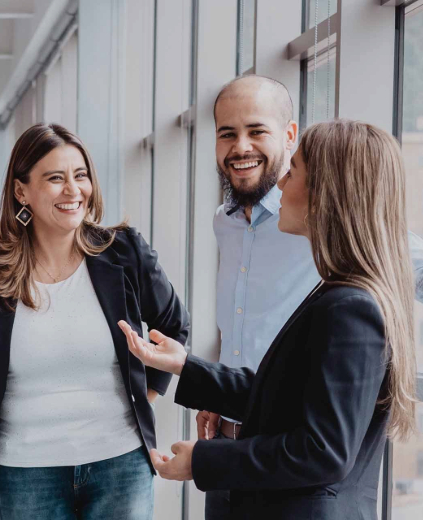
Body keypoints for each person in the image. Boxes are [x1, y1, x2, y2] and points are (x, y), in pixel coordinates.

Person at [120, 119, 419, 520]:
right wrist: (183, 365)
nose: (280, 185)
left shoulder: (351, 307)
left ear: (324, 195)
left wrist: (204, 461)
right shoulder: (342, 294)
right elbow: (284, 396)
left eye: (293, 172)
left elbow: (322, 452)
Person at [197, 74, 423, 519]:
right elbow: (243, 331)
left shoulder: (339, 255)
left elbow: (388, 249)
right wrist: (211, 390)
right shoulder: (223, 222)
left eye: (256, 130)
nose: (240, 146)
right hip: (228, 447)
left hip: (291, 469)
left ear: (289, 135)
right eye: (228, 133)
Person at [0, 123, 190, 520]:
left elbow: (173, 326)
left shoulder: (124, 251)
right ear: (21, 191)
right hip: (26, 468)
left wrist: (144, 400)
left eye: (80, 176)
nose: (72, 190)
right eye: (55, 178)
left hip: (120, 462)